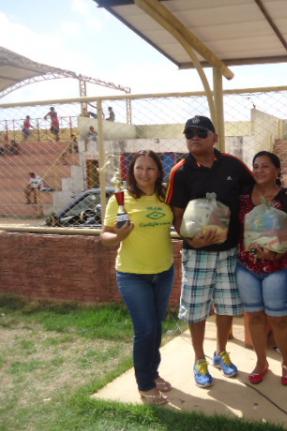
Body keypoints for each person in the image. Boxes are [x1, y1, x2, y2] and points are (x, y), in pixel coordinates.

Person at [166, 115, 254, 388]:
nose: (194, 136)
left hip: (228, 252)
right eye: (189, 132)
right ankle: (199, 358)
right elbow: (176, 216)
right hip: (197, 253)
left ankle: (221, 352)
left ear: (214, 137)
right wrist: (190, 238)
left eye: (201, 132)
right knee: (196, 309)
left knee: (226, 306)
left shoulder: (233, 166)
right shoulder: (180, 171)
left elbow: (255, 195)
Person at [100, 150, 175, 405]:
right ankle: (144, 385)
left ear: (158, 171)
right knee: (145, 330)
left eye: (150, 168)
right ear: (132, 171)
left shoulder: (165, 195)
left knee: (156, 328)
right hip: (133, 275)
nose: (144, 173)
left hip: (164, 271)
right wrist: (119, 236)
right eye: (139, 168)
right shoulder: (121, 199)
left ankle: (153, 374)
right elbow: (105, 236)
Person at [237, 151, 287, 386]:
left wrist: (276, 252)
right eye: (256, 166)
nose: (259, 170)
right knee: (254, 316)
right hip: (247, 267)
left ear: (277, 171)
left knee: (278, 319)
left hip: (278, 267)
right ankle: (261, 361)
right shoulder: (243, 195)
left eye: (265, 166)